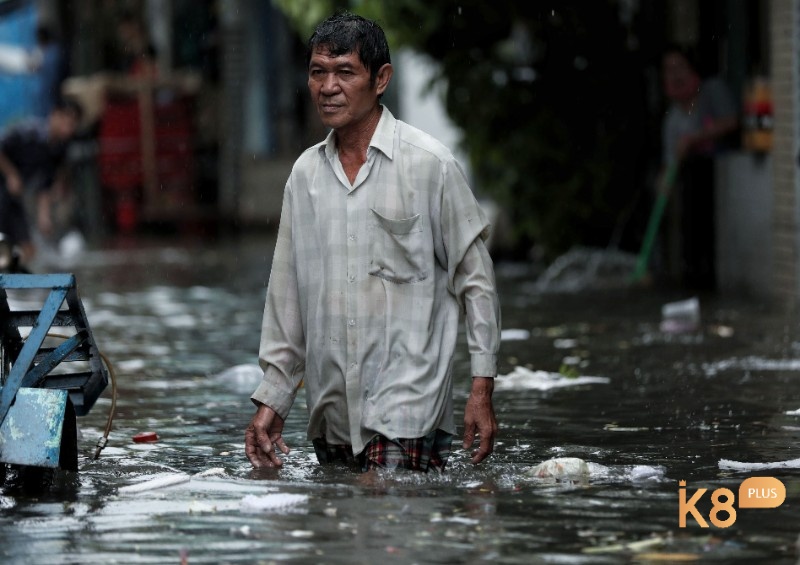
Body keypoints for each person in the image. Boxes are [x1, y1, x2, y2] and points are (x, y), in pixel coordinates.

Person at [245, 13, 501, 474]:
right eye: (318, 72)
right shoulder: (304, 177)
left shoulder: (430, 166)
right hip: (333, 411)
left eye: (345, 72)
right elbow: (287, 302)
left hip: (410, 404)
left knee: (387, 516)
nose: (328, 87)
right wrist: (273, 400)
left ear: (380, 79)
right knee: (340, 536)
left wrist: (481, 390)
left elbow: (476, 281)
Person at [660, 45, 738, 290]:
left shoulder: (712, 91)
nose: (675, 75)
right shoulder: (672, 118)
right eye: (668, 70)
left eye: (680, 67)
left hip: (724, 178)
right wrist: (664, 181)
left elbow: (731, 122)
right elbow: (670, 162)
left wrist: (693, 139)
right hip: (691, 187)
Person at [0, 97, 82, 263]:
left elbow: (46, 182)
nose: (69, 128)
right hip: (3, 188)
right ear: (54, 115)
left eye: (73, 124)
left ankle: (13, 284)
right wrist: (11, 174)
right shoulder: (29, 133)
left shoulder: (59, 149)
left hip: (12, 197)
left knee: (29, 250)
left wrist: (44, 216)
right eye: (66, 120)